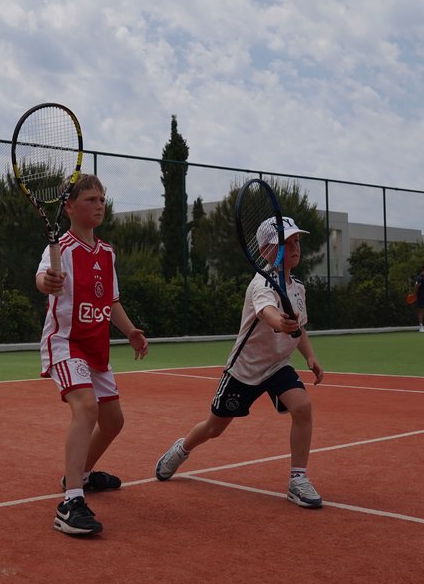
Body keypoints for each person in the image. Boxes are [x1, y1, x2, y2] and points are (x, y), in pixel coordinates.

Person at [154, 216, 326, 508]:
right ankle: (182, 448)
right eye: (288, 242)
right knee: (214, 428)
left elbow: (299, 327)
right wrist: (279, 323)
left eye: (297, 240)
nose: (296, 246)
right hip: (244, 370)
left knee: (303, 407)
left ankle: (298, 479)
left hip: (278, 365)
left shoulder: (298, 288)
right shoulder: (261, 284)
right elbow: (267, 313)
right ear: (268, 251)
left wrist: (309, 355)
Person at [36, 174, 149, 537]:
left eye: (101, 199)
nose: (99, 205)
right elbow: (43, 277)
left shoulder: (107, 253)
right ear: (69, 206)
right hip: (66, 342)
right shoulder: (61, 247)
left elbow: (111, 301)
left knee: (113, 421)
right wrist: (47, 282)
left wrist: (130, 330)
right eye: (90, 199)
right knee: (86, 407)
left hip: (97, 348)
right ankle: (70, 501)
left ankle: (81, 474)